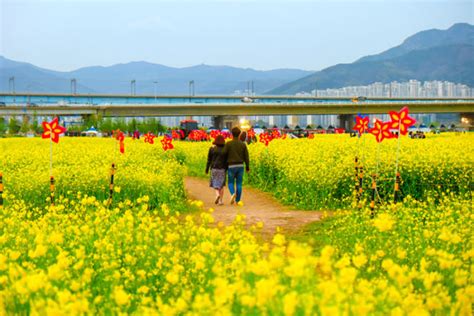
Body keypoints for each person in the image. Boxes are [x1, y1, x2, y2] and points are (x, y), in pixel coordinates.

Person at [224, 127, 250, 205]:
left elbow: (225, 155)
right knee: (239, 184)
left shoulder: (228, 144)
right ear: (239, 134)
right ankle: (238, 201)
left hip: (231, 166)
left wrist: (225, 166)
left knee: (230, 182)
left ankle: (232, 194)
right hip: (240, 166)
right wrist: (247, 167)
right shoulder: (243, 144)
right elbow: (246, 156)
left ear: (232, 134)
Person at [205, 135, 227, 205]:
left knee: (215, 183)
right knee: (221, 185)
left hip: (214, 168)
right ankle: (220, 201)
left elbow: (209, 160)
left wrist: (207, 169)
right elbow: (227, 160)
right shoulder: (225, 150)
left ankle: (217, 194)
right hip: (222, 169)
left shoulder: (212, 149)